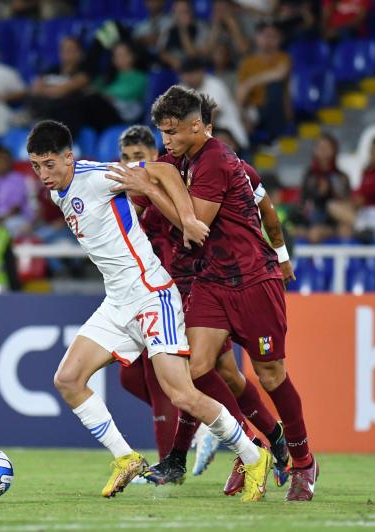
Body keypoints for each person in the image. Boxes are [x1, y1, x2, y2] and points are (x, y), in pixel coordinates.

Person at [27, 119, 272, 501]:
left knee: (182, 394)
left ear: (69, 158)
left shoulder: (98, 176)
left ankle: (254, 457)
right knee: (68, 379)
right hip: (117, 303)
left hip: (151, 296)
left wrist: (188, 218)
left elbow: (163, 171)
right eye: (35, 166)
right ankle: (125, 458)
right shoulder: (60, 192)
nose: (43, 175)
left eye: (49, 164)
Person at [113, 86, 317, 501]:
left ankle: (302, 460)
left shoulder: (218, 161)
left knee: (270, 375)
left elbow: (195, 226)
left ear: (197, 127)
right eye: (162, 132)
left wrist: (281, 255)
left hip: (252, 279)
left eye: (172, 131)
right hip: (210, 281)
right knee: (195, 368)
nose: (165, 140)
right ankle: (248, 447)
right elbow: (149, 178)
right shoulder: (177, 159)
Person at [236, 21, 293, 142]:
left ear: (280, 39)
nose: (269, 40)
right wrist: (243, 115)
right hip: (255, 110)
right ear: (257, 38)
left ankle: (276, 137)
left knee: (275, 87)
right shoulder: (248, 63)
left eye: (273, 36)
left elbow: (280, 73)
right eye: (266, 36)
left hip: (278, 109)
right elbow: (241, 92)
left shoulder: (283, 57)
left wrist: (251, 82)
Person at [178, 56, 248, 149]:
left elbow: (210, 118)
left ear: (201, 72)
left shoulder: (215, 85)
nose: (188, 78)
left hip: (228, 131)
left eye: (191, 74)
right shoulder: (182, 88)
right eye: (185, 75)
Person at [293, 133, 352, 242]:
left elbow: (344, 202)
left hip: (331, 220)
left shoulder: (340, 177)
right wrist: (318, 193)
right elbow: (304, 201)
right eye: (320, 147)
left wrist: (330, 190)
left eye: (326, 148)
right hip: (312, 218)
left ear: (334, 150)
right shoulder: (309, 175)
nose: (323, 151)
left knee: (343, 230)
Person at [0, 146, 35, 236]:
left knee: (11, 225)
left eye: (4, 160)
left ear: (10, 162)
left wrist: (1, 220)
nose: (0, 163)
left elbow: (16, 208)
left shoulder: (18, 179)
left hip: (16, 218)